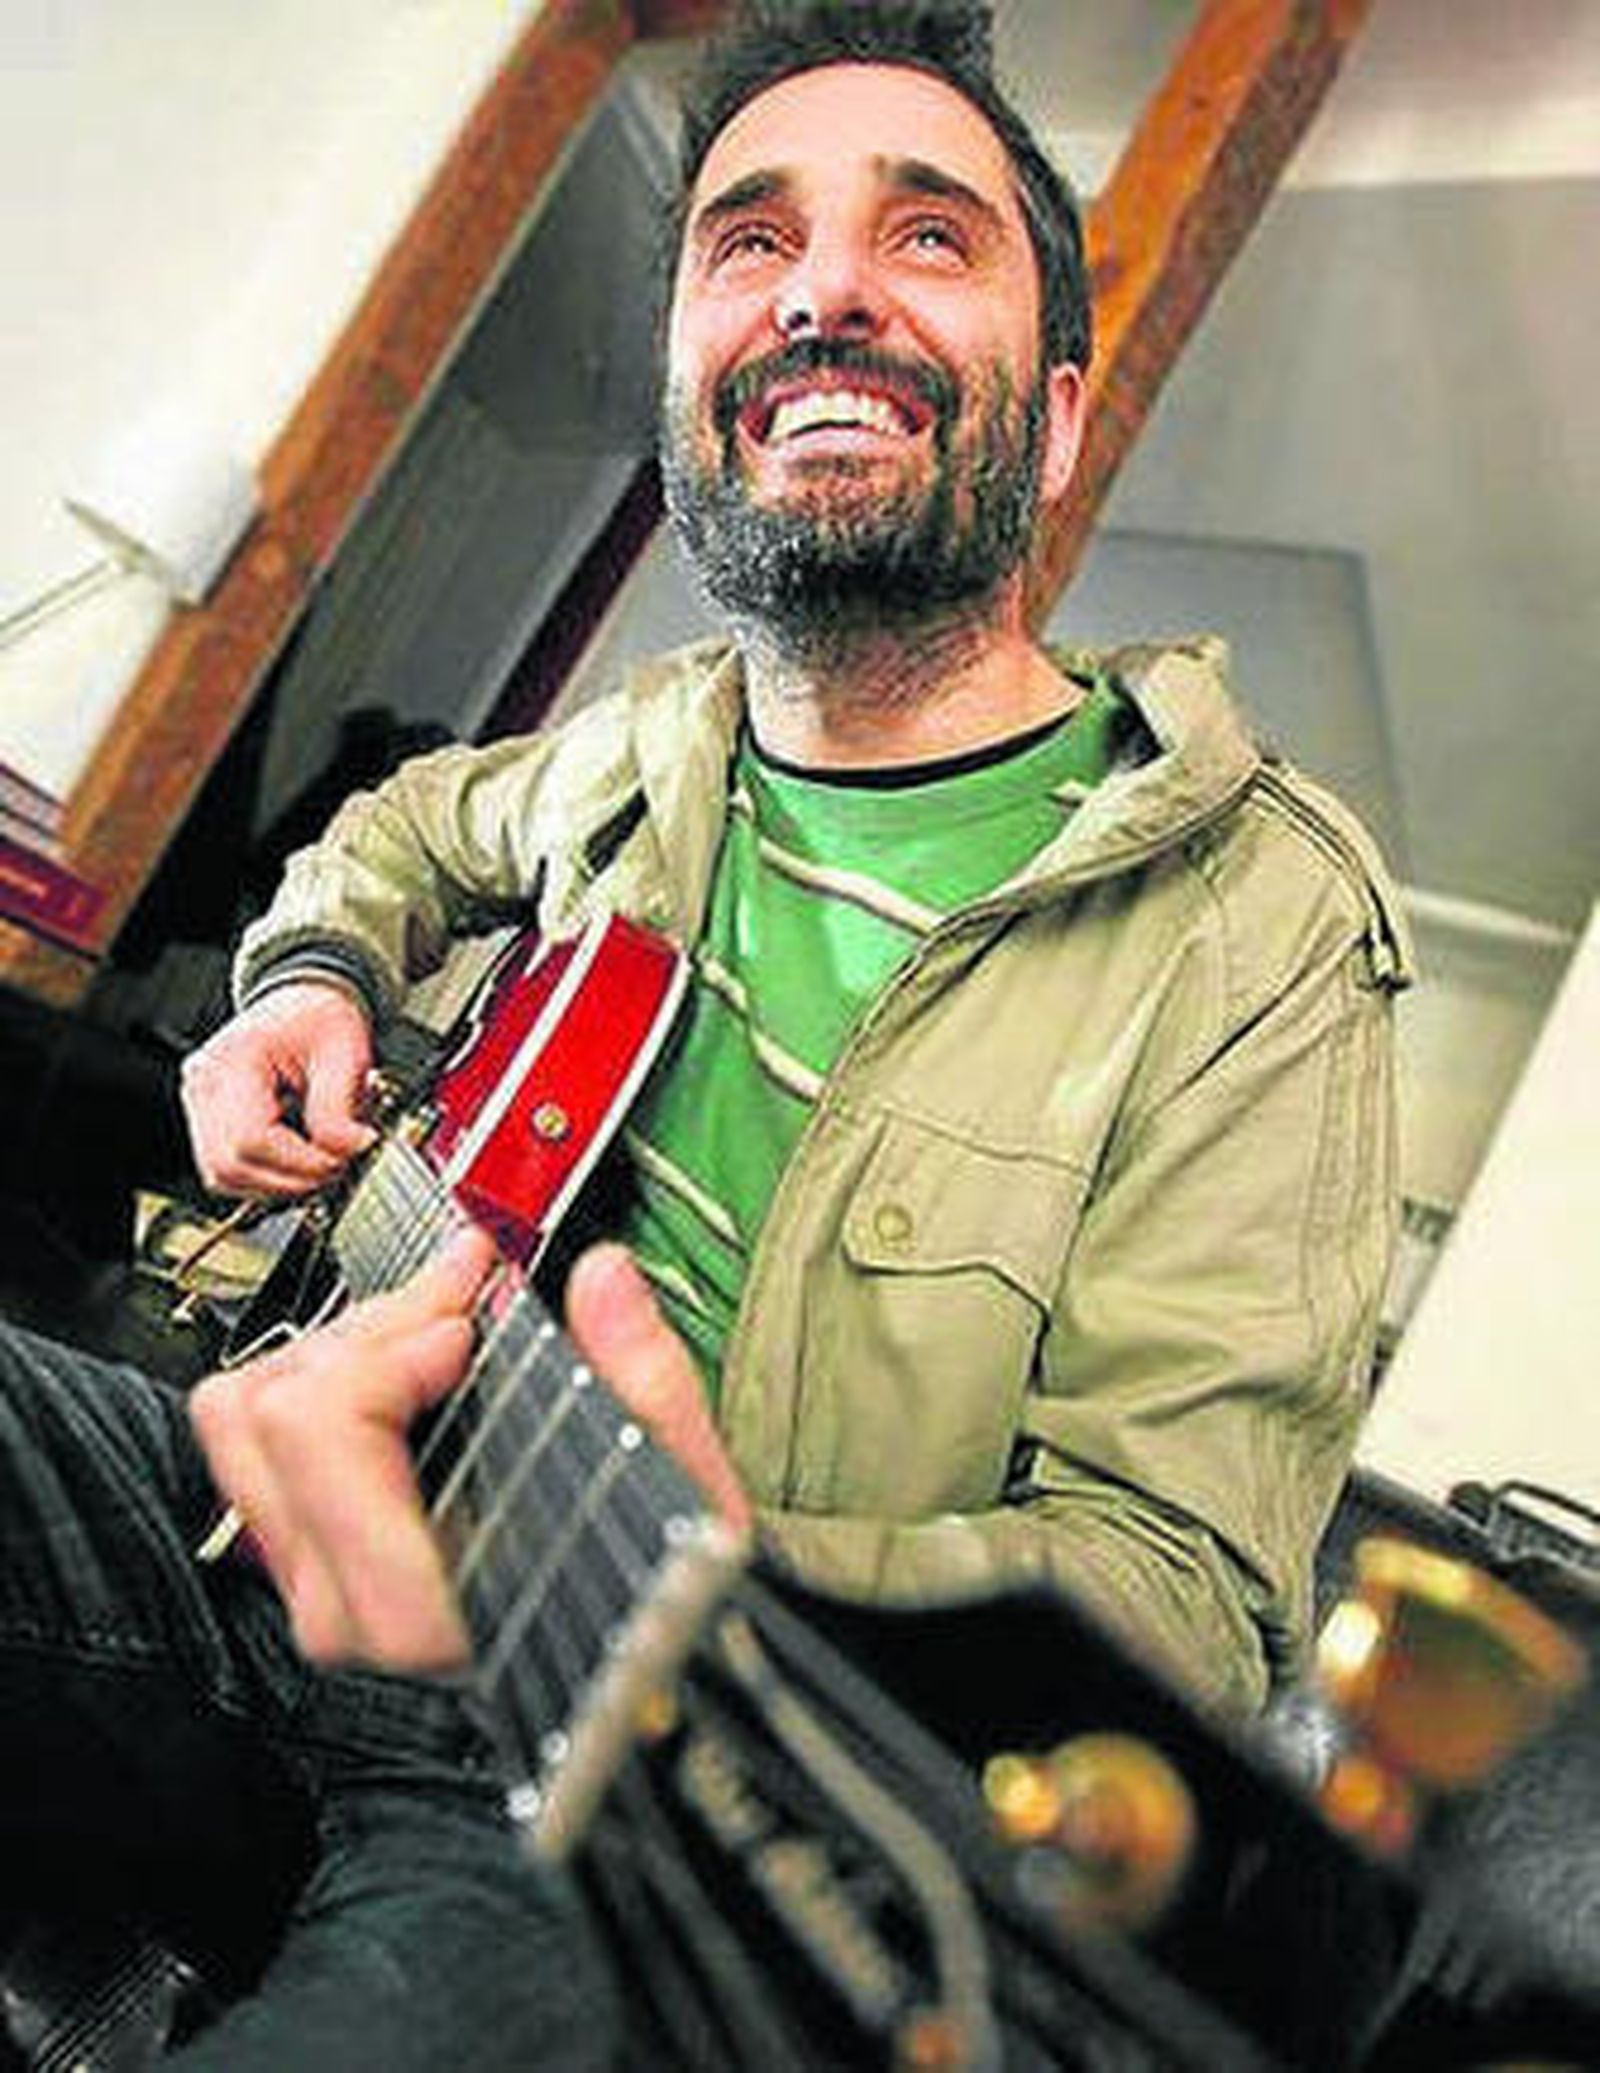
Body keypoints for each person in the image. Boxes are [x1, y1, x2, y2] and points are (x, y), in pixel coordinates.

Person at [0, 5, 1411, 2065]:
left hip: (621, 1773)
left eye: (926, 234)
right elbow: (398, 832)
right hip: (256, 1503)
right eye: (749, 240)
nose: (821, 287)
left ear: (1057, 421)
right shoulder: (645, 736)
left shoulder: (1259, 917)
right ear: (688, 396)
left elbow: (1174, 1602)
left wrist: (711, 1562)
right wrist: (306, 981)